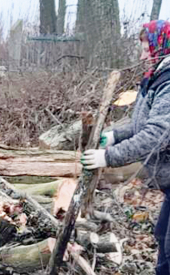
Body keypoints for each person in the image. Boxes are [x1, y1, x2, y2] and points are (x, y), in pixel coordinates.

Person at [81, 20, 170, 274]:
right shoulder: (155, 79)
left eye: (146, 50)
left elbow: (155, 135)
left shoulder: (169, 83)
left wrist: (108, 157)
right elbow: (140, 124)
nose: (142, 56)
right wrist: (114, 137)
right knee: (162, 234)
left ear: (162, 47)